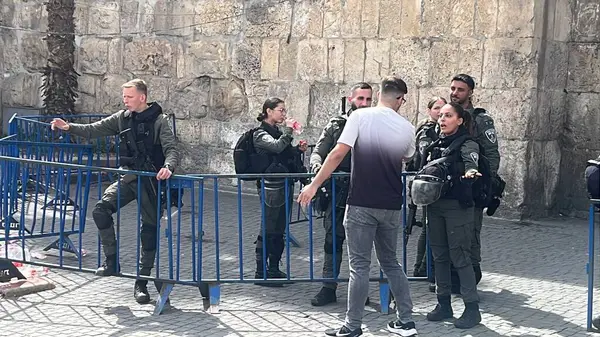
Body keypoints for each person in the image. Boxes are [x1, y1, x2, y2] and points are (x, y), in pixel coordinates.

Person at [298, 76, 418, 337]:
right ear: (400, 99)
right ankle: (406, 320)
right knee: (392, 263)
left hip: (362, 201)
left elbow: (337, 153)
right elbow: (406, 156)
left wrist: (314, 185)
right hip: (391, 204)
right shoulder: (408, 128)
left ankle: (352, 326)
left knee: (359, 267)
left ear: (380, 95)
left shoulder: (360, 118)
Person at [50, 79, 179, 304]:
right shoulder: (122, 118)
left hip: (151, 183)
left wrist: (168, 167)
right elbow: (93, 130)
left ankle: (142, 282)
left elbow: (171, 149)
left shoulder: (160, 121)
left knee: (148, 232)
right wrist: (68, 127)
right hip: (129, 178)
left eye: (129, 97)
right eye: (124, 97)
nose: (125, 100)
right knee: (101, 210)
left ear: (142, 97)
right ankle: (111, 261)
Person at [411, 102, 482, 329]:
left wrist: (471, 171)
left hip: (457, 207)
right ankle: (444, 304)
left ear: (460, 120)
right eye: (440, 116)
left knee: (460, 257)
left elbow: (472, 162)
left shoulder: (467, 143)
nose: (442, 120)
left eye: (448, 116)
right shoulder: (435, 144)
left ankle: (472, 309)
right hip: (435, 205)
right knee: (438, 256)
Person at [309, 82, 373, 307]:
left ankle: (360, 290)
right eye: (360, 99)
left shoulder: (375, 124)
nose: (364, 103)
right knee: (332, 241)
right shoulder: (337, 125)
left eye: (368, 99)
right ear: (351, 99)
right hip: (338, 192)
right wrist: (317, 168)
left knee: (361, 245)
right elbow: (319, 151)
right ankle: (328, 287)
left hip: (365, 191)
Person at [449, 74, 501, 287]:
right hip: (452, 185)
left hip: (472, 184)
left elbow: (491, 154)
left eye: (460, 89)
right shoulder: (447, 114)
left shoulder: (480, 120)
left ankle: (472, 274)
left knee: (471, 232)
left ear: (470, 92)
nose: (455, 93)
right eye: (453, 88)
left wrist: (485, 185)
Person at [252, 97, 308, 286]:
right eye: (280, 110)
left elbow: (282, 152)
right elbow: (275, 147)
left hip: (283, 183)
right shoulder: (260, 133)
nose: (284, 114)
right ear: (268, 111)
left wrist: (297, 150)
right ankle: (261, 272)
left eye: (284, 111)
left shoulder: (276, 132)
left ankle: (274, 269)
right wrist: (289, 130)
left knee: (279, 228)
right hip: (269, 185)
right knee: (268, 227)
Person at [408, 97, 446, 291]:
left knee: (428, 228)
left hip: (434, 184)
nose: (440, 112)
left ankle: (423, 267)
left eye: (443, 108)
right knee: (428, 228)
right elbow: (423, 152)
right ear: (429, 110)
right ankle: (422, 267)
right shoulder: (427, 130)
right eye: (436, 108)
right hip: (426, 183)